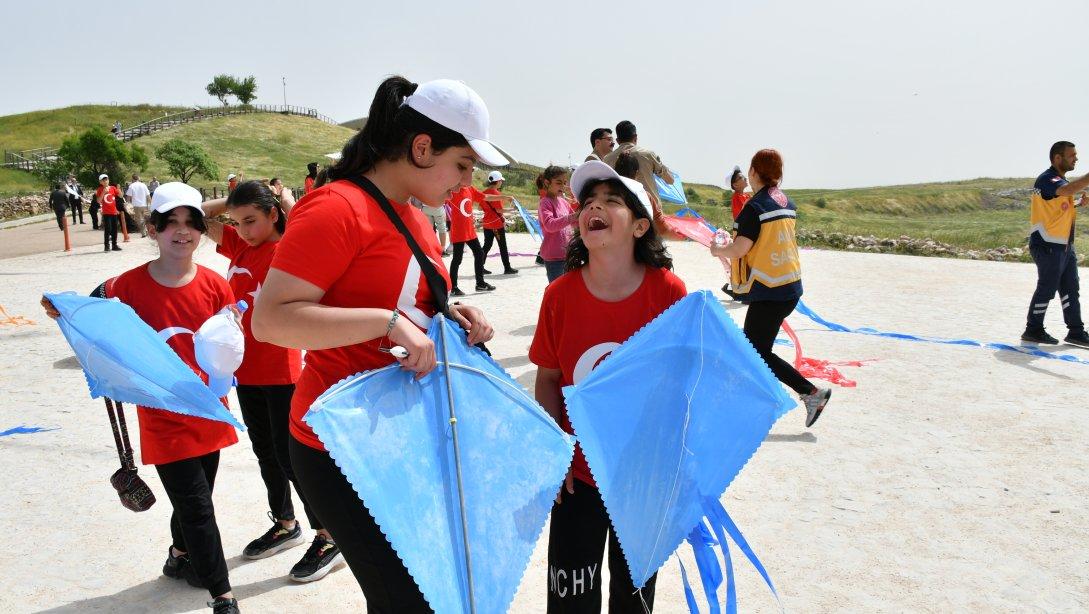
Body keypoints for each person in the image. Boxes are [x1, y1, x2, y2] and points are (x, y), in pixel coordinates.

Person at [251, 76, 498, 612]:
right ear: (422, 147)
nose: (467, 182)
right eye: (463, 165)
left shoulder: (414, 215)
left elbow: (410, 301)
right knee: (402, 599)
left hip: (400, 437)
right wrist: (386, 322)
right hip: (337, 445)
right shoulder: (335, 207)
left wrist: (451, 314)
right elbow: (271, 321)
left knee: (424, 593)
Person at [41, 182, 242, 614]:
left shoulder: (214, 286)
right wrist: (62, 308)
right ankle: (222, 596)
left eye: (191, 223)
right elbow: (89, 310)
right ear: (152, 229)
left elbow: (229, 343)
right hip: (162, 415)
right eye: (171, 224)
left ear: (202, 230)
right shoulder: (124, 287)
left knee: (198, 495)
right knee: (198, 507)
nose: (182, 232)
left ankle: (180, 556)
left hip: (210, 410)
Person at [530, 160, 685, 613]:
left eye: (611, 201)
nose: (594, 207)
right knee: (570, 597)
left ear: (640, 225)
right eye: (588, 202)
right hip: (576, 477)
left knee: (633, 599)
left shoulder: (668, 292)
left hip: (641, 479)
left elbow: (679, 387)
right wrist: (553, 452)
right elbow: (549, 378)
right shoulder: (559, 296)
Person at [200, 182, 341, 581]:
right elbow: (195, 214)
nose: (242, 229)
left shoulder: (288, 248)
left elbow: (307, 225)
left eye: (252, 220)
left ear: (273, 215)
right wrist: (236, 202)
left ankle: (330, 536)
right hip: (245, 368)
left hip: (284, 368)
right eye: (237, 221)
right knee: (266, 452)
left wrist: (280, 199)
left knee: (295, 457)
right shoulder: (240, 245)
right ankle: (285, 523)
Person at [710, 149, 831, 427]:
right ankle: (760, 401)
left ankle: (811, 393)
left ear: (754, 172)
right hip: (789, 286)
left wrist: (718, 249)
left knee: (755, 351)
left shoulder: (756, 207)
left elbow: (741, 248)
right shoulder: (786, 201)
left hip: (770, 290)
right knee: (755, 349)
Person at [1022, 141, 1089, 347]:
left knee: (1071, 288)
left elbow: (1057, 206)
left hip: (1064, 247)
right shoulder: (1047, 179)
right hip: (1047, 245)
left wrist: (1078, 204)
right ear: (1057, 158)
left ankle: (1076, 332)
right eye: (1072, 155)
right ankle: (1033, 329)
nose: (1076, 158)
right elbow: (1068, 190)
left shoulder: (1058, 181)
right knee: (1047, 288)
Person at [603, 120, 674, 223]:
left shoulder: (607, 159)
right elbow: (670, 180)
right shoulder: (648, 155)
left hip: (621, 211)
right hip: (650, 211)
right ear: (635, 137)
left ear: (618, 140)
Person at [446, 179, 508, 294]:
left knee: (479, 254)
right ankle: (453, 287)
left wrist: (503, 197)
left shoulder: (470, 189)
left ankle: (480, 284)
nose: (469, 177)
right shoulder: (452, 189)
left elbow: (486, 197)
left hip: (470, 230)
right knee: (457, 259)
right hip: (459, 231)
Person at [537, 165, 578, 283]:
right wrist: (572, 217)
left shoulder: (564, 202)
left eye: (564, 183)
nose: (563, 186)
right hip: (554, 258)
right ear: (547, 182)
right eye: (558, 183)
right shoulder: (545, 203)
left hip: (567, 255)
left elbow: (576, 222)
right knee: (557, 293)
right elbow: (550, 225)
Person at [480, 170, 518, 275]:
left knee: (487, 245)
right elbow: (499, 210)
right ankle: (507, 267)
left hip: (487, 223)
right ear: (497, 181)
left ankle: (480, 266)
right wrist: (512, 210)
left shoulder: (483, 193)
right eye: (501, 181)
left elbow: (480, 207)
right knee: (502, 246)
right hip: (496, 225)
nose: (501, 183)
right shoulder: (496, 194)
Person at [722, 166, 751, 297]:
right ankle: (739, 289)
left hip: (748, 231)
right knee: (742, 262)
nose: (745, 178)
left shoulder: (746, 196)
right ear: (735, 184)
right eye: (741, 178)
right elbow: (743, 215)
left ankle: (738, 288)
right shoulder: (737, 198)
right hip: (742, 232)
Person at [96, 173, 123, 252]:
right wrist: (103, 192)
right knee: (108, 229)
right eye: (103, 180)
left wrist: (119, 189)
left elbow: (121, 196)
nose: (105, 181)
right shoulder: (100, 189)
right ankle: (106, 246)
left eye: (106, 179)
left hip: (114, 212)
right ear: (100, 182)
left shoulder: (113, 188)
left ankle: (114, 245)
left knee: (115, 229)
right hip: (106, 213)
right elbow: (98, 201)